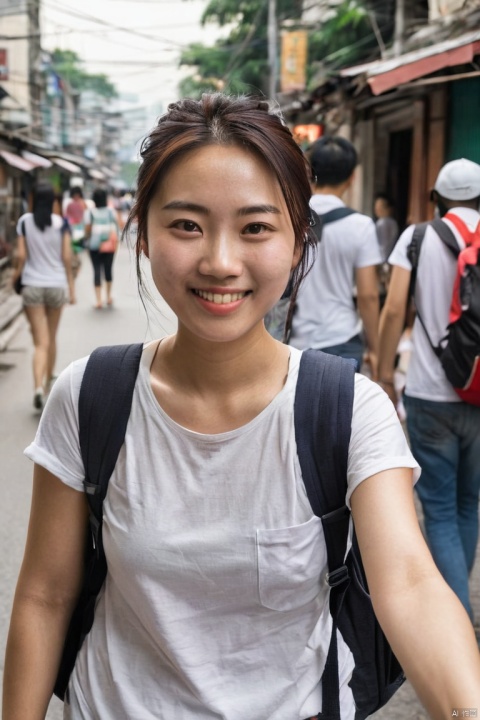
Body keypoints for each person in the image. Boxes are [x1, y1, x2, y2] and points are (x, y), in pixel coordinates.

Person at [3, 96, 480, 720]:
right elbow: (44, 595)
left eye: (255, 227)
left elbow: (411, 584)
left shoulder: (347, 409)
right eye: (187, 225)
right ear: (144, 233)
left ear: (295, 238)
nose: (220, 263)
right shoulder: (88, 395)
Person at [378, 157, 480, 621]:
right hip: (478, 393)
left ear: (436, 199)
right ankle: (457, 607)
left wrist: (382, 374)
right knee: (468, 501)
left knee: (437, 509)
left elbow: (393, 308)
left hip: (428, 392)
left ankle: (455, 621)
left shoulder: (416, 237)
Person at [289, 136, 382, 378]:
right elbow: (368, 295)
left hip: (292, 341)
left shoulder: (290, 220)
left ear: (309, 172)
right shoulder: (361, 226)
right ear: (352, 177)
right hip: (342, 341)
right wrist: (375, 348)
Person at [11, 182, 75, 411]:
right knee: (52, 337)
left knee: (40, 342)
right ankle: (47, 382)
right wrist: (71, 287)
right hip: (56, 285)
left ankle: (38, 387)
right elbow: (67, 257)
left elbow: (21, 255)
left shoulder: (24, 222)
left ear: (33, 199)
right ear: (53, 202)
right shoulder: (62, 224)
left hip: (32, 286)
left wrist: (15, 278)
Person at [84, 188, 118, 309]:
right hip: (109, 246)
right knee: (108, 270)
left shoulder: (90, 213)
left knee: (97, 270)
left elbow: (87, 229)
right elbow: (116, 227)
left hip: (94, 246)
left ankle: (98, 300)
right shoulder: (111, 212)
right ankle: (108, 297)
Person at [65, 187, 87, 280]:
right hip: (75, 229)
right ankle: (75, 265)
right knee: (75, 250)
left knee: (76, 250)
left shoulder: (78, 204)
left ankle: (75, 266)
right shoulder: (78, 204)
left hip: (77, 229)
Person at [374, 192, 399, 262]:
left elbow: (383, 247)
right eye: (376, 206)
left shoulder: (383, 222)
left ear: (390, 208)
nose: (377, 209)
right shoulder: (392, 223)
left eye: (381, 207)